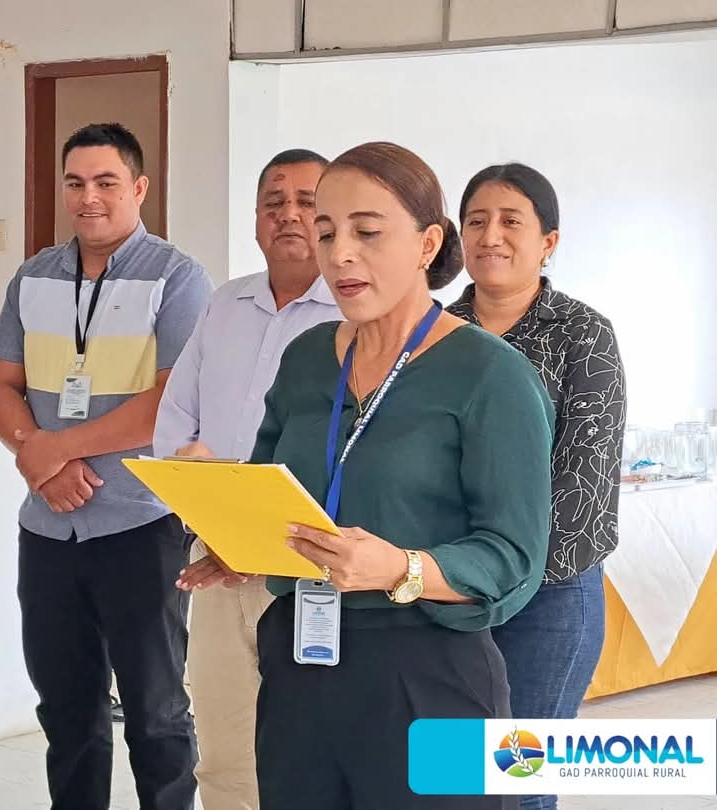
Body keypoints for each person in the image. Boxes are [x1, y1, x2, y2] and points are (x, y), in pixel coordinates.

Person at [178, 142, 555, 809]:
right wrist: (238, 537)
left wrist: (399, 568)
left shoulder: (490, 374)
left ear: (427, 243)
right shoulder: (307, 360)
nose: (339, 254)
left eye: (367, 232)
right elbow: (274, 484)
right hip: (301, 665)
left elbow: (514, 557)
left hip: (427, 672)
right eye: (327, 233)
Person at [0, 122, 212, 810]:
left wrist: (60, 447)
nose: (89, 197)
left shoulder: (176, 277)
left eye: (107, 182)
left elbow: (171, 400)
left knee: (156, 714)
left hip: (140, 525)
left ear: (138, 188)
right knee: (67, 712)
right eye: (76, 183)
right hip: (49, 529)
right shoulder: (33, 276)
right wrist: (39, 458)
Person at [154, 148, 338, 810]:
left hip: (310, 572)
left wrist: (256, 539)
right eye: (273, 202)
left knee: (307, 754)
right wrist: (218, 526)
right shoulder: (226, 304)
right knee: (224, 746)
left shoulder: (353, 315)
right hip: (216, 562)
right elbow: (176, 424)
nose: (288, 214)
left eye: (306, 202)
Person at [448, 163, 627, 810]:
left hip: (549, 595)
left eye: (510, 221)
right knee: (452, 779)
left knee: (518, 783)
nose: (490, 235)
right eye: (476, 221)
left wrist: (489, 569)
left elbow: (582, 487)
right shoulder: (433, 332)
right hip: (444, 590)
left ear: (548, 241)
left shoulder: (583, 334)